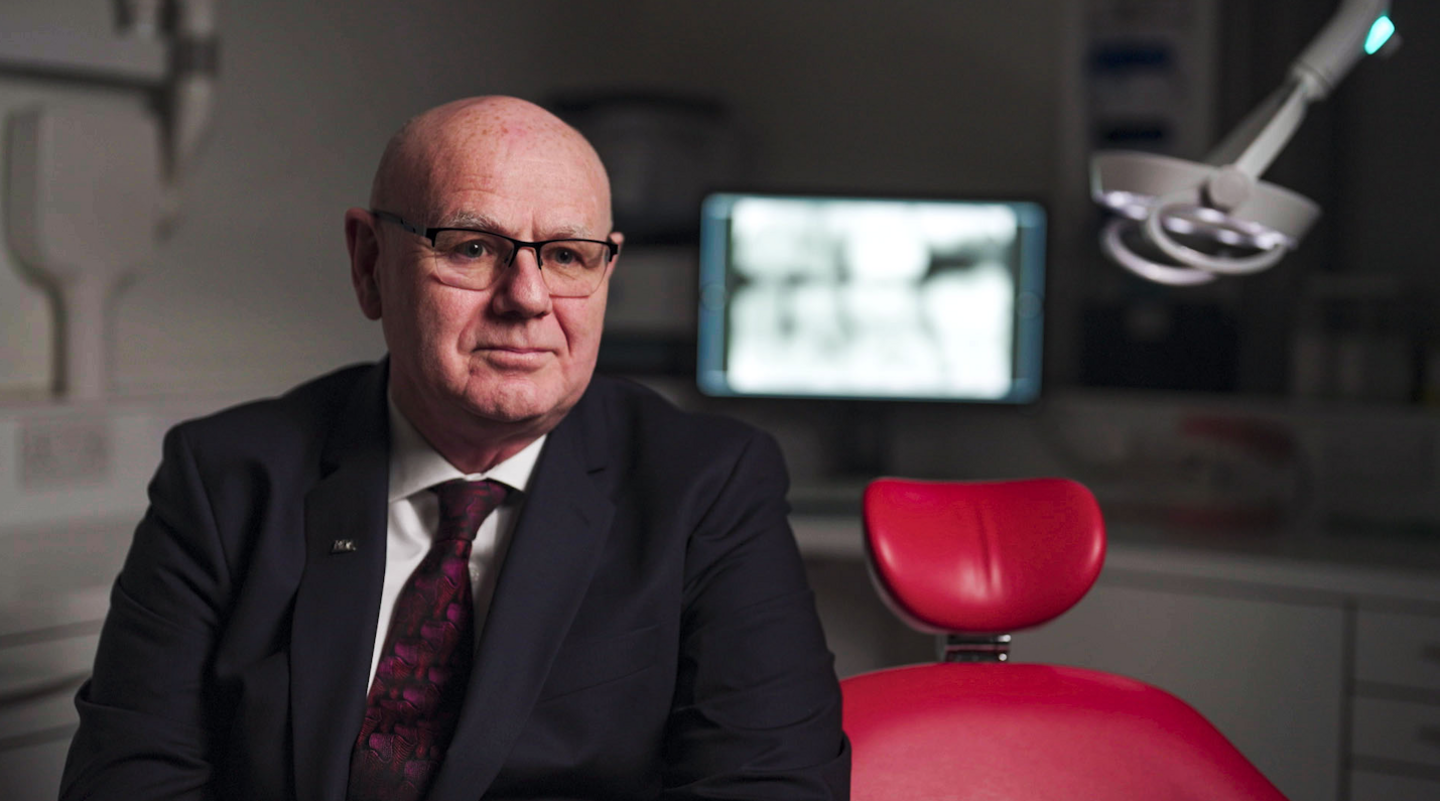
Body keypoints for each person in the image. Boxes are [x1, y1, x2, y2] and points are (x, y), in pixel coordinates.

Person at [60, 96, 849, 800]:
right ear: (370, 264)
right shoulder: (225, 479)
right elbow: (127, 778)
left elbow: (771, 783)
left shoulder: (706, 485)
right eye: (472, 247)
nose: (529, 298)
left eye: (569, 255)